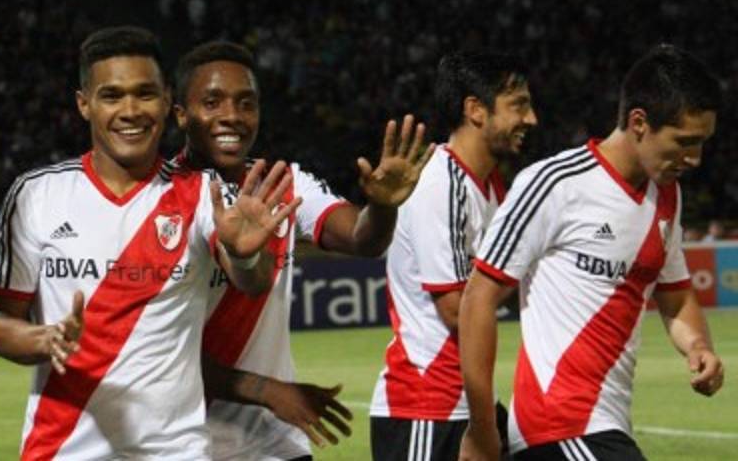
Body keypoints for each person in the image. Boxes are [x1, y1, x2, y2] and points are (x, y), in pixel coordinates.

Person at [0, 26, 300, 460]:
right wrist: (44, 338)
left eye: (145, 94)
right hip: (63, 449)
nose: (130, 111)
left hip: (174, 452)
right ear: (84, 104)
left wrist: (245, 255)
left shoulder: (201, 193)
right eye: (112, 96)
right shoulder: (36, 195)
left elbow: (253, 281)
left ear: (167, 101)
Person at [459, 45, 726, 461]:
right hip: (555, 424)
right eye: (684, 142)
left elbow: (675, 297)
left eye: (702, 143)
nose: (694, 159)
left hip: (604, 426)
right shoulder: (554, 184)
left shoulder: (666, 196)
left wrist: (697, 346)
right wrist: (480, 428)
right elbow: (478, 298)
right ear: (639, 122)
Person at [171, 40, 433, 460]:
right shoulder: (155, 200)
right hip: (183, 444)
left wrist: (383, 205)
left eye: (246, 103)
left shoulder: (283, 184)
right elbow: (155, 352)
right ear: (181, 114)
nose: (232, 116)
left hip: (275, 445)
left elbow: (363, 239)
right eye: (212, 102)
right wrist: (266, 390)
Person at [368, 51, 536, 460]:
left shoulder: (490, 185)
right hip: (426, 408)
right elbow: (458, 309)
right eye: (519, 106)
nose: (531, 119)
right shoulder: (442, 183)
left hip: (464, 401)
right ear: (475, 110)